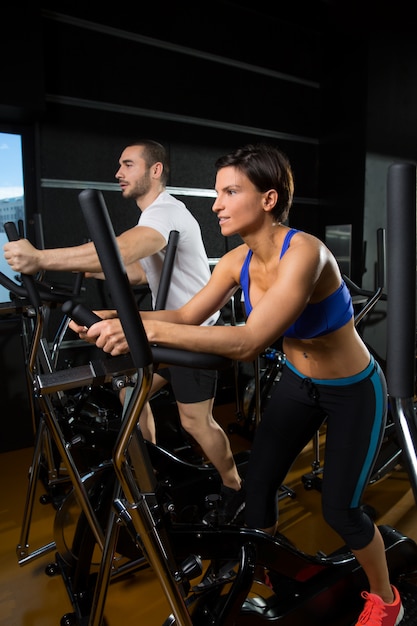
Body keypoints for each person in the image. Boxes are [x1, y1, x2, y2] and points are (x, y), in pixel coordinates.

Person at [71, 142, 404, 626]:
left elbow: (250, 340)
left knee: (342, 511)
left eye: (230, 192)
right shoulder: (235, 261)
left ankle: (386, 599)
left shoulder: (305, 252)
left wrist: (138, 329)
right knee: (257, 489)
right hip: (297, 383)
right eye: (216, 192)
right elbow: (186, 315)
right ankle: (262, 577)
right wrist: (113, 316)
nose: (216, 204)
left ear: (268, 199)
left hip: (353, 390)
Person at [3, 139, 244, 522]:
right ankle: (150, 473)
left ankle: (234, 487)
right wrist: (86, 266)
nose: (118, 173)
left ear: (155, 170)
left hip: (195, 333)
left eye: (128, 164)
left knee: (195, 421)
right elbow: (134, 270)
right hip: (166, 329)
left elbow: (121, 252)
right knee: (130, 390)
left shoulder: (165, 213)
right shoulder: (152, 219)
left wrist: (41, 258)